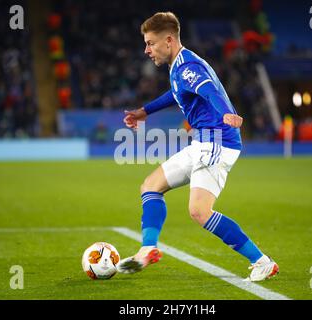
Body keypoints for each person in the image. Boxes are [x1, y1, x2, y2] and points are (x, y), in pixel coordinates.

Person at [117, 12, 278, 281]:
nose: (146, 50)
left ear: (168, 40)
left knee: (199, 211)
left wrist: (226, 112)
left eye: (150, 43)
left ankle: (262, 262)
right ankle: (148, 248)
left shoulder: (188, 68)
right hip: (202, 141)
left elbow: (208, 90)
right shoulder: (179, 66)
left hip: (217, 140)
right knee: (150, 186)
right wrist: (145, 111)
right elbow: (177, 93)